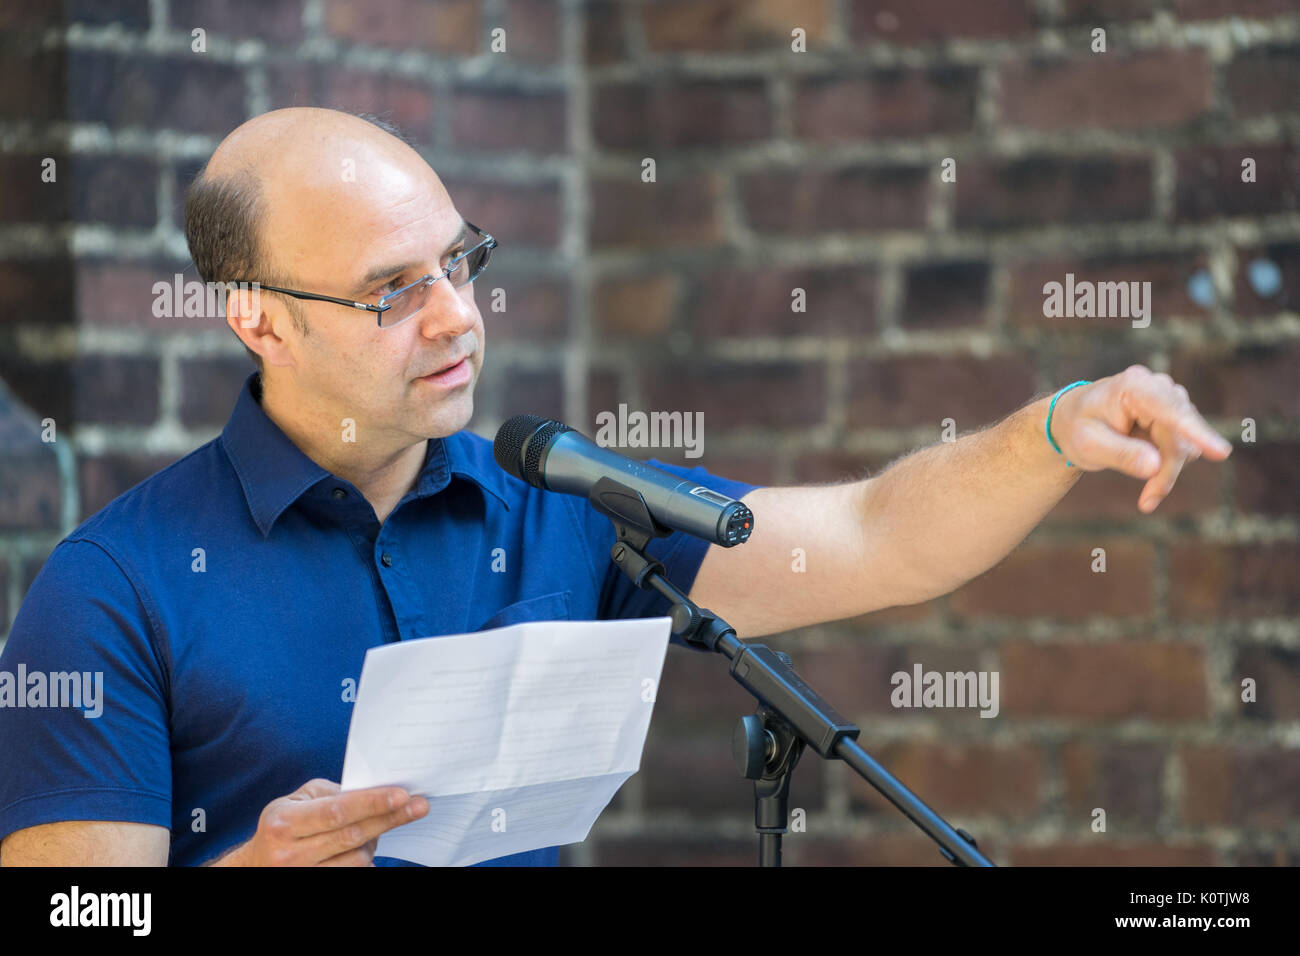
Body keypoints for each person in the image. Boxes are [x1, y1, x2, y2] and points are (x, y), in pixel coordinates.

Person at [0, 108, 1232, 867]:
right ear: (259, 320)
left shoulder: (560, 505)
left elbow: (874, 536)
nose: (454, 316)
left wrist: (1056, 429)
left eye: (459, 262)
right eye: (391, 289)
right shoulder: (113, 588)